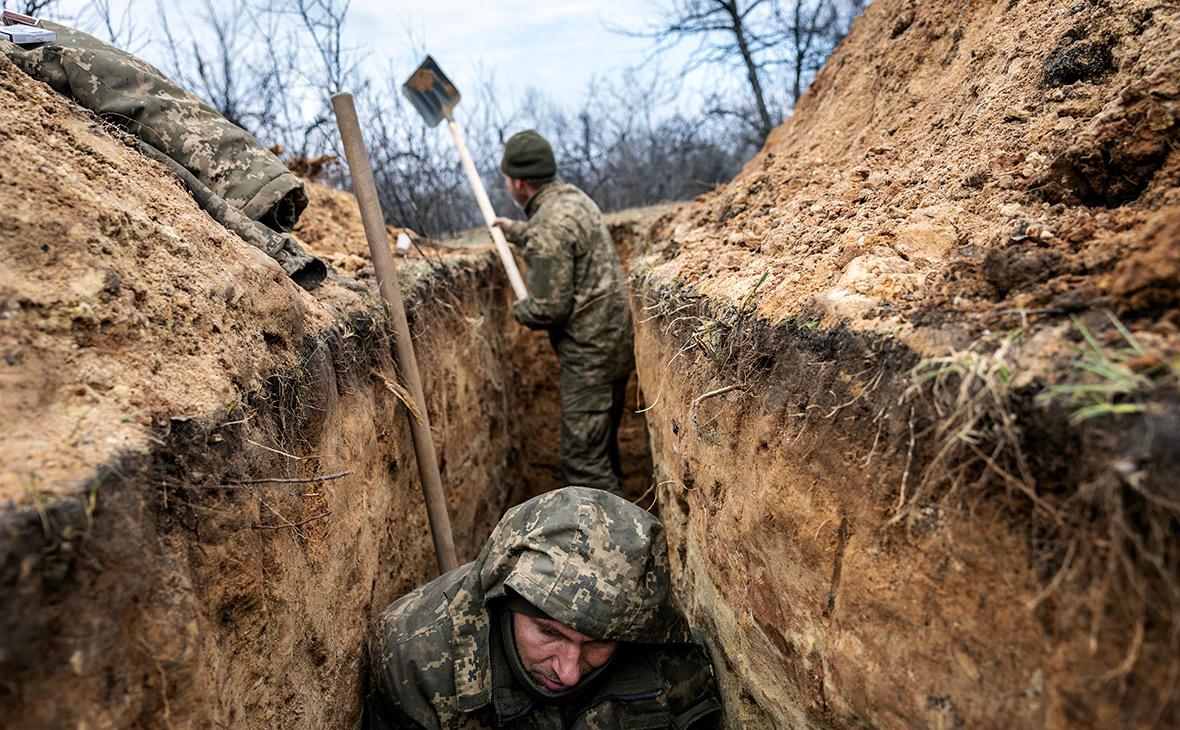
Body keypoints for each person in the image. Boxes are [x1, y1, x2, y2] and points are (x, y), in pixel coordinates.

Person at [368, 487, 722, 729]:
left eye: (597, 643)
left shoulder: (676, 665)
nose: (568, 672)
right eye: (549, 633)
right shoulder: (416, 664)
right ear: (503, 602)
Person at [493, 132, 634, 494]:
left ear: (519, 183)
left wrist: (519, 309)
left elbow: (548, 309)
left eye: (508, 179)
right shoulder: (574, 200)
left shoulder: (548, 226)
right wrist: (517, 232)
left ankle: (612, 545)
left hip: (590, 357)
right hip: (615, 342)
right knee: (601, 444)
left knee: (584, 462)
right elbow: (560, 239)